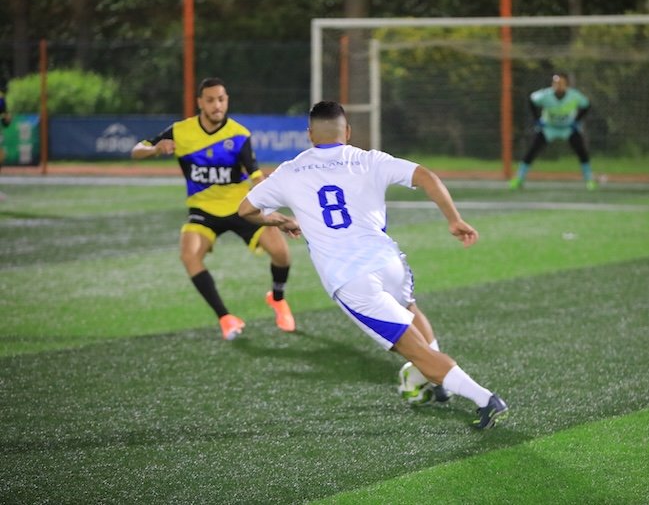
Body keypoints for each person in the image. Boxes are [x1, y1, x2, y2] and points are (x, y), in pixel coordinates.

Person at [238, 100, 508, 430]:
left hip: (351, 280)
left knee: (415, 352)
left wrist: (279, 221)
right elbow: (426, 176)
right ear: (348, 132)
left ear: (309, 135)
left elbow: (245, 210)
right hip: (389, 263)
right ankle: (438, 383)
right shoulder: (369, 160)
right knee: (409, 309)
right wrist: (454, 219)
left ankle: (485, 399)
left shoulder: (289, 172)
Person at [132, 77, 295, 340]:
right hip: (203, 211)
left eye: (221, 99)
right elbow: (137, 150)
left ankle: (277, 298)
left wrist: (272, 212)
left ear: (227, 100)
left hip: (241, 208)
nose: (217, 105)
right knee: (189, 255)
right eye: (210, 100)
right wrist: (154, 150)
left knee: (282, 254)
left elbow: (256, 177)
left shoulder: (239, 134)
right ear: (200, 103)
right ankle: (226, 317)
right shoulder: (181, 131)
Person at [509, 72, 596, 190]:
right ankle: (519, 178)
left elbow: (586, 104)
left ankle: (589, 180)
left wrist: (576, 121)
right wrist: (537, 119)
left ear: (567, 84)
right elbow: (532, 100)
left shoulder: (574, 95)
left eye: (561, 83)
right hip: (549, 128)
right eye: (556, 83)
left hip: (568, 128)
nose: (558, 85)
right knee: (532, 151)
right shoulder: (545, 95)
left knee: (582, 152)